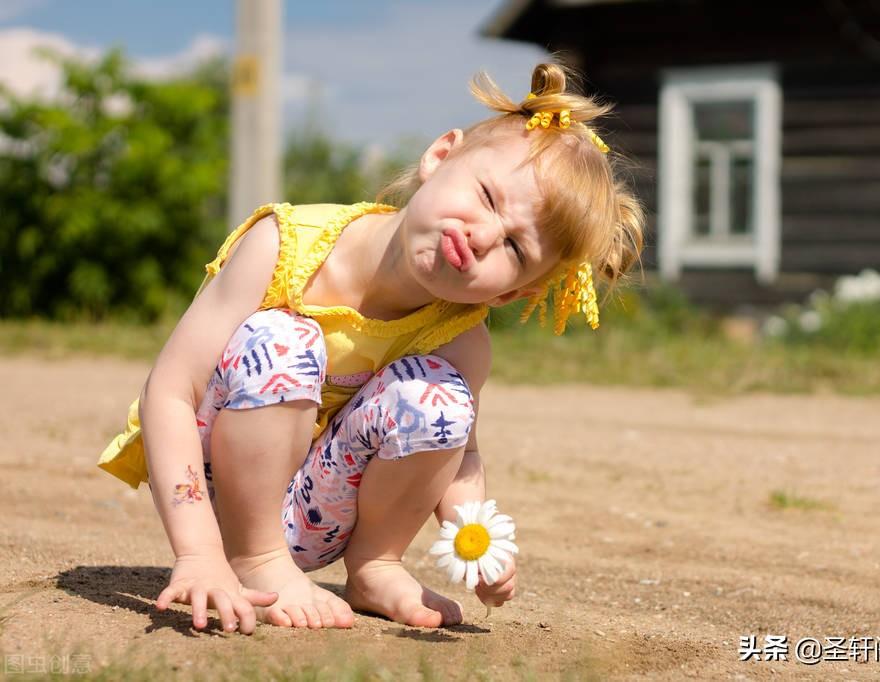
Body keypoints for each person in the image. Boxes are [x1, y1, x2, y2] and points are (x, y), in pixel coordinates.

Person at [97, 62, 644, 635]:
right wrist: (198, 551)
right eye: (485, 196)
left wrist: (473, 534)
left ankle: (376, 564)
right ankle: (253, 559)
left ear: (513, 292)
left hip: (315, 517)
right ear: (440, 156)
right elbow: (171, 392)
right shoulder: (284, 248)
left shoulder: (460, 338)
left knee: (441, 399)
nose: (483, 233)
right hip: (217, 498)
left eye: (513, 245)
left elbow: (464, 457)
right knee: (283, 338)